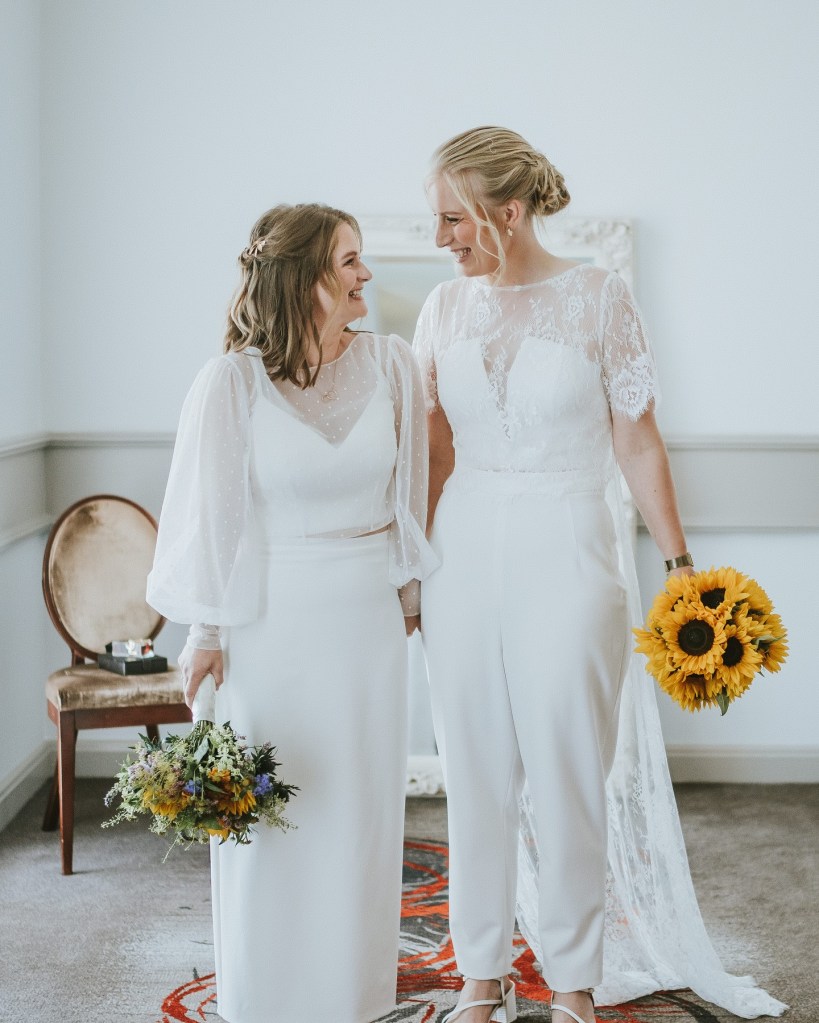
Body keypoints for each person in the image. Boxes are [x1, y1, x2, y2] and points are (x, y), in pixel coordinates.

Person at [413, 127, 787, 1023]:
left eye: (454, 218)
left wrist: (681, 566)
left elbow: (637, 438)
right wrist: (410, 566)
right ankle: (481, 976)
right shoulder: (441, 308)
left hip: (569, 546)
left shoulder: (597, 298)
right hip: (460, 552)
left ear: (508, 212)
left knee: (568, 768)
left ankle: (573, 981)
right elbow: (434, 446)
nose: (441, 237)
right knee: (473, 770)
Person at [146, 203, 438, 1023]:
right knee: (275, 809)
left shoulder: (393, 366)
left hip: (367, 624)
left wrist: (412, 600)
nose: (365, 274)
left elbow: (409, 499)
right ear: (303, 277)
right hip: (269, 623)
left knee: (357, 812)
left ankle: (351, 996)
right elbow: (217, 521)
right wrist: (205, 634)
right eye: (348, 260)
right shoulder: (231, 382)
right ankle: (264, 995)